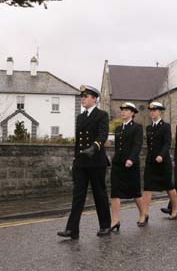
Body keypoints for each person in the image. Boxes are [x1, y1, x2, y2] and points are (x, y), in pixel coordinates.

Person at [58, 85, 111, 240]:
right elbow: (78, 142)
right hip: (81, 163)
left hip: (96, 161)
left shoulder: (102, 115)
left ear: (94, 99)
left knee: (99, 194)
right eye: (82, 97)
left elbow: (102, 135)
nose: (83, 99)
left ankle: (105, 225)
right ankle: (72, 229)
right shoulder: (80, 117)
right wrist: (75, 159)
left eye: (86, 96)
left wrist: (94, 147)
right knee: (77, 196)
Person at [142, 102, 177, 221]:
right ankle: (144, 214)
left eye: (155, 110)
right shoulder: (148, 127)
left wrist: (161, 156)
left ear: (160, 112)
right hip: (151, 162)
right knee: (147, 187)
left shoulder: (166, 126)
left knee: (169, 186)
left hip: (163, 162)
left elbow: (167, 143)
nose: (152, 112)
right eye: (151, 110)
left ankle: (174, 209)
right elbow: (149, 145)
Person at [109, 102, 144, 231]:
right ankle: (115, 220)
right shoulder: (118, 129)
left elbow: (137, 145)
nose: (123, 112)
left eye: (126, 110)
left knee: (135, 193)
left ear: (133, 113)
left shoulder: (137, 127)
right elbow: (117, 146)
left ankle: (142, 213)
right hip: (118, 164)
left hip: (131, 164)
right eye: (122, 110)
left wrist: (131, 159)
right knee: (115, 192)